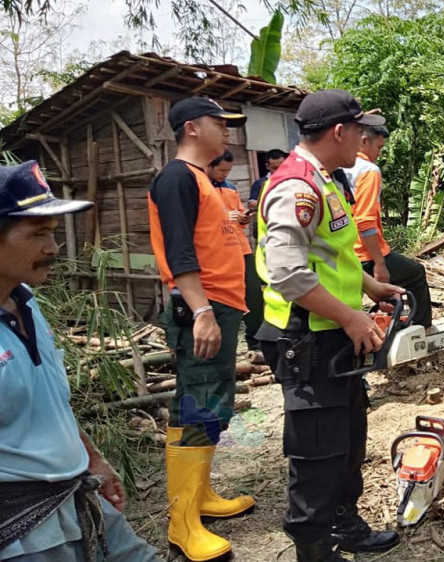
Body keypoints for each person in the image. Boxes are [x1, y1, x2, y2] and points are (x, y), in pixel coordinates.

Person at [255, 89, 403, 562]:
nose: (363, 139)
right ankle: (314, 549)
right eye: (359, 131)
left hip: (333, 333)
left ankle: (344, 523)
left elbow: (330, 254)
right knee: (317, 452)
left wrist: (369, 287)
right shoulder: (296, 187)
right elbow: (288, 274)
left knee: (348, 438)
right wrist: (350, 316)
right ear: (339, 132)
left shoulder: (327, 179)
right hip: (307, 339)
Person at [0, 161, 162, 562]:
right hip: (21, 529)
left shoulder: (26, 302)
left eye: (53, 234)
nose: (53, 249)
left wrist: (91, 458)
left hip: (75, 495)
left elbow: (48, 404)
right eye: (38, 234)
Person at [147, 98, 255, 561]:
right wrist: (202, 311)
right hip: (203, 306)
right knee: (198, 407)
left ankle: (201, 496)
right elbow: (179, 252)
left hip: (220, 303)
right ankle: (183, 524)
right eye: (220, 123)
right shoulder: (177, 178)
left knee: (207, 405)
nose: (228, 131)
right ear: (191, 128)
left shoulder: (202, 180)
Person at [344, 125, 432, 327]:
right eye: (379, 147)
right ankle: (421, 328)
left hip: (344, 250)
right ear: (363, 141)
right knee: (415, 273)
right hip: (364, 253)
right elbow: (365, 221)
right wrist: (379, 263)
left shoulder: (336, 167)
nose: (379, 154)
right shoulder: (367, 169)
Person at [208, 150, 264, 351]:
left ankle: (256, 341)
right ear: (210, 166)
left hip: (240, 247)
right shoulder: (202, 188)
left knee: (253, 295)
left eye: (228, 171)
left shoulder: (230, 187)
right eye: (221, 170)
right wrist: (223, 218)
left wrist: (243, 218)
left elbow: (239, 213)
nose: (225, 174)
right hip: (218, 251)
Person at [248, 148, 288, 213]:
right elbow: (251, 204)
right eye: (274, 168)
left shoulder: (293, 181)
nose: (279, 171)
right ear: (267, 166)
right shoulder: (259, 183)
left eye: (282, 167)